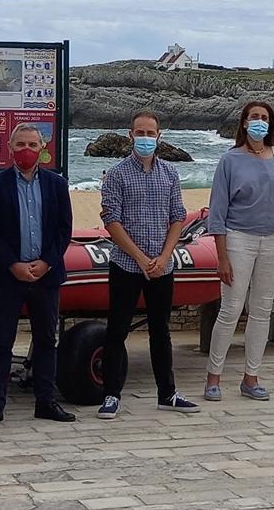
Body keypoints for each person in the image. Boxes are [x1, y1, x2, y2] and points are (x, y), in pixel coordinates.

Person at [97, 111, 200, 419]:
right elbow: (111, 220)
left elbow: (177, 217)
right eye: (139, 133)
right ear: (130, 135)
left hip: (162, 266)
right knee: (117, 330)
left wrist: (165, 257)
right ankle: (111, 395)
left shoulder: (169, 173)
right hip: (127, 265)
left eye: (149, 133)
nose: (144, 138)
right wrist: (141, 259)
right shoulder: (116, 174)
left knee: (161, 331)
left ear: (159, 135)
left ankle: (167, 393)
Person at [0, 123, 75, 427]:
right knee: (1, 343)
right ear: (10, 147)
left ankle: (46, 402)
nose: (27, 151)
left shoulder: (57, 185)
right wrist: (13, 264)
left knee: (47, 340)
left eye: (33, 145)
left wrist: (47, 261)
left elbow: (63, 229)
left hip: (46, 275)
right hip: (8, 275)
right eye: (20, 145)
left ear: (42, 148)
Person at [204, 101, 274, 402]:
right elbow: (217, 212)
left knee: (261, 311)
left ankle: (251, 377)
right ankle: (213, 377)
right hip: (238, 239)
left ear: (270, 124)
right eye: (254, 117)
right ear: (244, 123)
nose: (259, 122)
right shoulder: (229, 160)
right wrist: (222, 256)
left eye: (264, 118)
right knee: (231, 309)